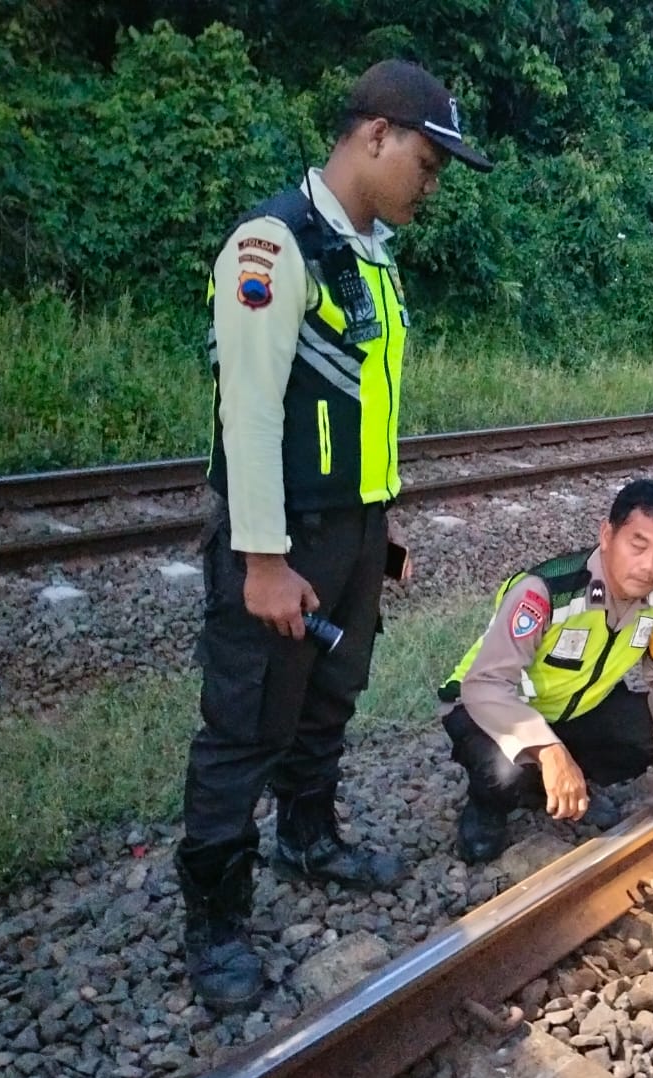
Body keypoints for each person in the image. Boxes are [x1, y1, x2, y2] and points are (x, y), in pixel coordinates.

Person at [177, 60, 494, 1012]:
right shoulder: (275, 247)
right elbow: (251, 416)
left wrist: (378, 528)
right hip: (281, 538)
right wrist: (263, 564)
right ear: (375, 135)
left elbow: (362, 406)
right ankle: (215, 923)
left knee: (327, 699)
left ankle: (308, 838)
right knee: (246, 724)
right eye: (428, 164)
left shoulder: (369, 254)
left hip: (349, 530)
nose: (430, 185)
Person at [440, 479, 653, 864]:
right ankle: (488, 807)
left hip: (572, 708)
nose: (649, 566)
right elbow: (485, 686)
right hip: (486, 705)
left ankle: (562, 778)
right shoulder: (548, 591)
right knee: (503, 771)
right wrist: (549, 751)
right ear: (606, 534)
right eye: (637, 545)